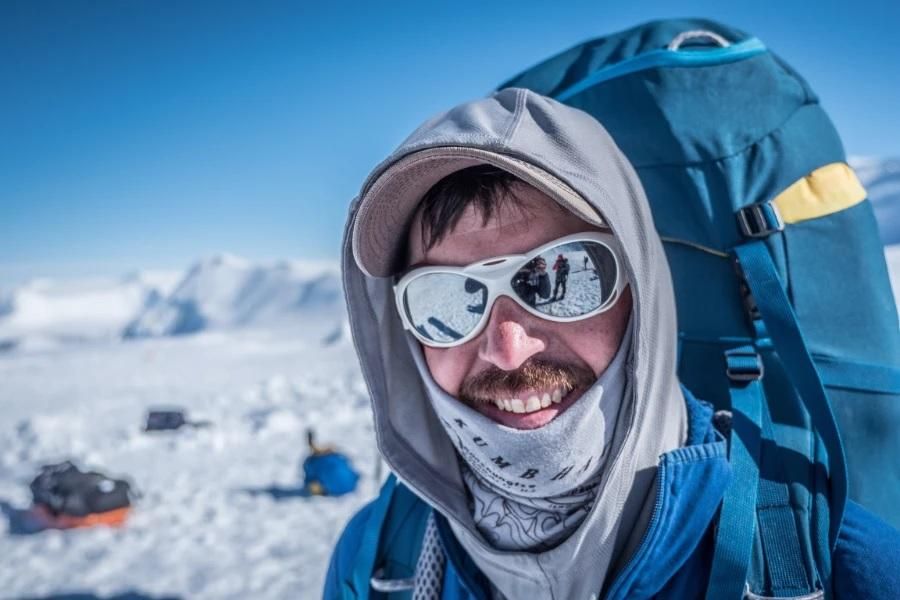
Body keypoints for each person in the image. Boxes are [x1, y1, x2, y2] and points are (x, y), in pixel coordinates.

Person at [325, 89, 900, 598]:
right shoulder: (376, 562)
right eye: (446, 299)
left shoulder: (845, 570)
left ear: (641, 287)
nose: (507, 347)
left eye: (563, 276)